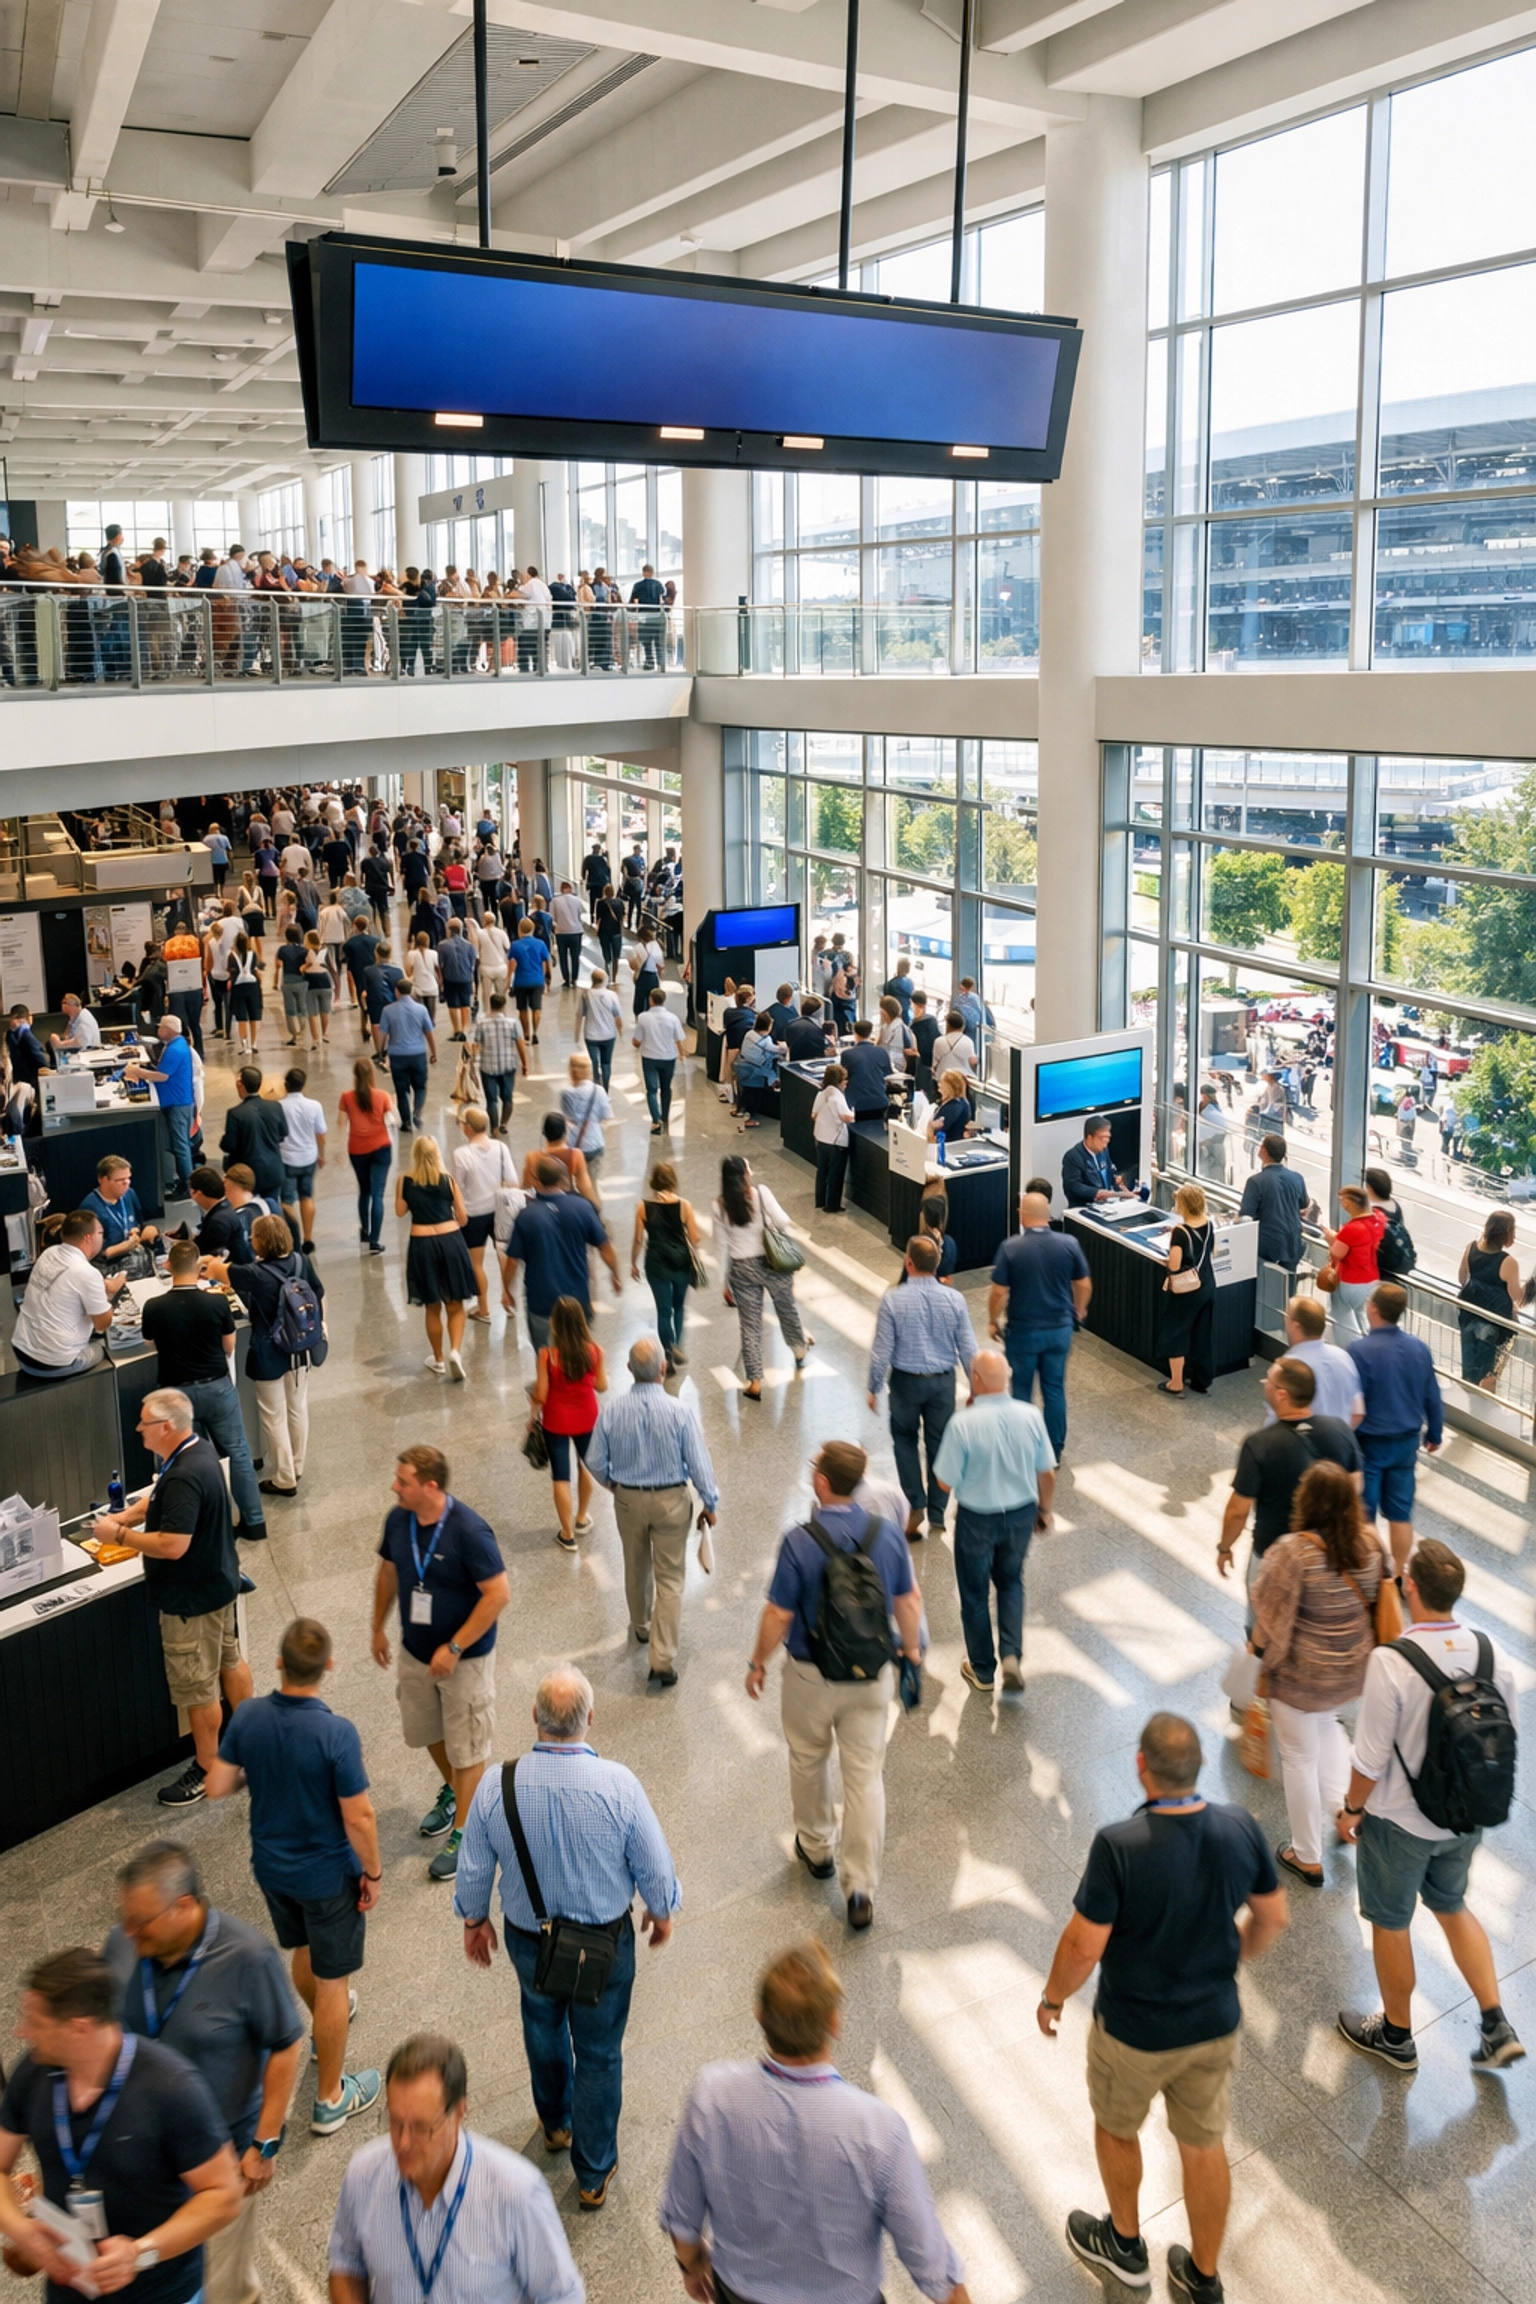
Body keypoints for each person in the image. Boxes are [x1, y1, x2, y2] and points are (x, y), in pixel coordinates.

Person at [1038, 1714, 1288, 2304]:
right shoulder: (1239, 1827)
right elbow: (1273, 1916)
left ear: (1141, 1765)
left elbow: (1082, 1946)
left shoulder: (1119, 1846)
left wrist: (1053, 1998)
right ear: (1198, 1766)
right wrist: (1231, 1962)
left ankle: (1124, 2248)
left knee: (1117, 2127)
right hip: (1213, 2025)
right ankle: (1202, 2276)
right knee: (1203, 2143)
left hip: (1133, 2032)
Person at [454, 1664, 681, 2210]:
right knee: (599, 2052)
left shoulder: (496, 1784)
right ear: (591, 1720)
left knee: (542, 2023)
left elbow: (474, 1867)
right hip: (604, 1946)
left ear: (534, 1716)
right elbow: (654, 1865)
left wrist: (473, 1920)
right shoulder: (619, 1786)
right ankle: (593, 2173)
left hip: (530, 1939)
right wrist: (662, 1910)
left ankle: (555, 2125)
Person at [661, 1941, 970, 2304]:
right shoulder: (879, 2131)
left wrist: (693, 2266)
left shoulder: (710, 2095)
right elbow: (931, 2263)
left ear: (759, 2015)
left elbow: (681, 2219)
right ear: (834, 2023)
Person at [1336, 1539, 1524, 2073]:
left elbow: (1369, 1758)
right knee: (1451, 1904)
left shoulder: (1392, 1662)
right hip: (1466, 1817)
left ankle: (1395, 2035)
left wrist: (1352, 1810)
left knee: (1390, 1920)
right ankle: (1495, 2024)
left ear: (1410, 1586)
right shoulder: (1493, 1654)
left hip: (1400, 1823)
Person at [107, 1841, 304, 2304]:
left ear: (184, 1906)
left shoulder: (247, 1957)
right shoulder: (123, 1942)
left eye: (141, 1922)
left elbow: (286, 2046)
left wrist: (264, 2143)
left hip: (221, 2164)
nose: (129, 1933)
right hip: (147, 2163)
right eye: (125, 1920)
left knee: (223, 2287)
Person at [206, 1618, 383, 2134]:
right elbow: (359, 1817)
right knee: (333, 1978)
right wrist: (371, 1870)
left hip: (271, 1869)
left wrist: (260, 1769)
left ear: (279, 1662)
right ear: (328, 1665)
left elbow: (218, 1785)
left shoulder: (250, 1717)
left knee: (304, 1950)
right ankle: (330, 2099)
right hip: (327, 1875)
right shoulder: (336, 1733)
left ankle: (328, 2027)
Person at [746, 1440, 922, 1930]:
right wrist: (911, 1654)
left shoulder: (800, 1541)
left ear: (823, 1482)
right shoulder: (887, 1536)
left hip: (811, 1675)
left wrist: (758, 1662)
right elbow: (908, 1603)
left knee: (807, 1757)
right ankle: (860, 1887)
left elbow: (779, 1613)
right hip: (871, 1676)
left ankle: (818, 1847)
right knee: (865, 1777)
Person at [0, 1946, 241, 2304]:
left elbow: (224, 2196)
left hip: (162, 2294)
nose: (21, 2032)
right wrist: (21, 2230)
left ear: (78, 2027)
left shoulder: (172, 2087)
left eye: (35, 2023)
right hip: (71, 2289)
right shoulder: (34, 2072)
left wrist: (141, 2253)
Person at [86, 1387, 252, 1807]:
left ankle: (209, 1767)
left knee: (198, 1686)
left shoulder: (182, 1474)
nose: (138, 1428)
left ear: (166, 1427)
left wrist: (118, 1534)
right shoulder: (197, 1453)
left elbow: (174, 1544)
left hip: (190, 1601)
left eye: (144, 1422)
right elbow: (160, 1499)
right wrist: (127, 1514)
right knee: (229, 1660)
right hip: (218, 1584)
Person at [328, 2032, 582, 2304]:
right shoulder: (364, 2174)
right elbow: (346, 2260)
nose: (402, 2143)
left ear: (459, 2112)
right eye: (395, 2122)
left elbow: (561, 2295)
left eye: (421, 2128)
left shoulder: (517, 2193)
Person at [372, 1445, 509, 1882]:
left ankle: (468, 1833)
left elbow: (498, 1594)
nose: (395, 1487)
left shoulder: (469, 1531)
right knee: (427, 1732)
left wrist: (454, 1646)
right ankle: (455, 1792)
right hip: (416, 1653)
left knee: (467, 1747)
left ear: (430, 1486)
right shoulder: (399, 1519)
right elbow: (389, 1572)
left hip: (464, 1660)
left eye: (403, 1481)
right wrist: (377, 1626)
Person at [1249, 1459, 1384, 1886]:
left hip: (1300, 1679)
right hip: (1349, 1674)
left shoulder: (1293, 1551)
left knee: (1298, 1757)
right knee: (1326, 1726)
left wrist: (1253, 1660)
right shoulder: (1369, 1543)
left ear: (1305, 1501)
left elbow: (1268, 1622)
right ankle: (1343, 1814)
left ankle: (1306, 1854)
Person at [588, 1336, 719, 1684]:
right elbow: (699, 1464)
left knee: (635, 1564)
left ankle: (641, 1626)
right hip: (671, 1501)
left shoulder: (612, 1411)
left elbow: (593, 1459)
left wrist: (613, 1484)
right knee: (671, 1578)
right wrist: (710, 1501)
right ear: (664, 1369)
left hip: (628, 1500)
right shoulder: (680, 1412)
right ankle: (662, 1659)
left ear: (629, 1370)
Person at [932, 1348, 1055, 1695]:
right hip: (1020, 1514)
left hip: (976, 1519)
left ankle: (983, 1669)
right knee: (1011, 1582)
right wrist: (1044, 1511)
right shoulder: (1030, 1415)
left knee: (973, 1593)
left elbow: (944, 1483)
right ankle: (1012, 1655)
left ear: (975, 1380)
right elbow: (1047, 1473)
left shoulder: (963, 1423)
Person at [141, 1238, 267, 1544]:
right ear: (199, 1268)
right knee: (237, 1452)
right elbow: (229, 1346)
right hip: (217, 1389)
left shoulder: (154, 1307)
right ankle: (254, 1522)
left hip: (176, 1397)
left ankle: (196, 1528)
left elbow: (150, 1344)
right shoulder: (216, 1302)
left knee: (187, 1461)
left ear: (168, 1266)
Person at [1218, 1357, 1362, 1612]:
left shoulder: (1259, 1444)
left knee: (1264, 1622)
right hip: (1328, 1552)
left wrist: (1225, 1547)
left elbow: (1238, 1510)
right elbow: (1355, 1485)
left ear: (1282, 1394)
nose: (1265, 1384)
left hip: (1274, 1553)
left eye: (1269, 1381)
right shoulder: (1339, 1429)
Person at [867, 1235, 977, 1538]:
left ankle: (915, 1502)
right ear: (938, 1262)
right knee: (940, 1443)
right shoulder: (955, 1299)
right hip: (942, 1382)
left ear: (908, 1262)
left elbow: (882, 1349)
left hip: (905, 1382)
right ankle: (938, 1512)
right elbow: (968, 1348)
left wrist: (873, 1386)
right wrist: (976, 1388)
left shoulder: (893, 1299)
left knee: (904, 1439)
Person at [214, 1213, 325, 1499]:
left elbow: (216, 1269)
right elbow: (319, 1291)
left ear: (261, 1241)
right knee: (298, 1407)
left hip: (268, 1349)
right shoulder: (302, 1261)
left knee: (273, 1415)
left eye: (253, 1235)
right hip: (300, 1345)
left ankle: (284, 1477)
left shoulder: (252, 1273)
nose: (250, 1239)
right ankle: (296, 1466)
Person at [1347, 1282, 1443, 1573]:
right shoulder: (1418, 1349)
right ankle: (1398, 1574)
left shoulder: (1359, 1351)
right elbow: (1432, 1396)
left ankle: (1373, 1573)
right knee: (1401, 1515)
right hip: (1406, 1444)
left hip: (1370, 1445)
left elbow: (1355, 1404)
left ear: (1373, 1308)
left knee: (1364, 1516)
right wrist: (1434, 1433)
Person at [988, 1190, 1092, 1458]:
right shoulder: (1069, 1244)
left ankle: (1021, 1449)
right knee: (1054, 1388)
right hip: (1059, 1330)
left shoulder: (1011, 1248)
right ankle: (1053, 1451)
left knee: (1021, 1389)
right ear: (1047, 1215)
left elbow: (999, 1292)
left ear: (1023, 1216)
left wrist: (992, 1320)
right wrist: (1078, 1309)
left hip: (1023, 1332)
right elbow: (1083, 1283)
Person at [714, 1154, 810, 1403]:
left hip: (741, 1268)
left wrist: (724, 1283)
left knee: (750, 1325)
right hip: (771, 1261)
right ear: (745, 1175)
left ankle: (755, 1381)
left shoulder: (719, 1206)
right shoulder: (760, 1194)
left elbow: (721, 1247)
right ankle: (799, 1349)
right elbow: (782, 1221)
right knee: (785, 1307)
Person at [504, 1156, 621, 1353]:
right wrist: (615, 1274)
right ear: (563, 1179)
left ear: (537, 1181)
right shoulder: (583, 1207)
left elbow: (512, 1262)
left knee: (546, 1356)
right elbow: (605, 1247)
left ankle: (549, 1383)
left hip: (541, 1302)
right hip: (577, 1300)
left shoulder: (527, 1216)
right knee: (579, 1351)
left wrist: (507, 1290)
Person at [396, 1133, 478, 1382]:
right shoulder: (448, 1181)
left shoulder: (404, 1180)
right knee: (455, 1305)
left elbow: (400, 1212)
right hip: (450, 1241)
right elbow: (463, 1218)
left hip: (422, 1243)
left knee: (432, 1306)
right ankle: (455, 1351)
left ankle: (439, 1360)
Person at [532, 1296, 608, 1554]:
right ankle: (582, 1517)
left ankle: (567, 1535)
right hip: (587, 1418)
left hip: (556, 1421)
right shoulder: (596, 1351)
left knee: (560, 1476)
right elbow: (602, 1386)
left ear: (556, 1324)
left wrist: (532, 1413)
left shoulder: (547, 1357)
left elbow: (541, 1394)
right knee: (585, 1466)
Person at [11, 1205, 125, 1376]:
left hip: (21, 1350)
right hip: (54, 1363)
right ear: (88, 1238)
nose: (103, 1238)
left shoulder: (49, 1253)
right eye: (100, 1234)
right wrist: (112, 1293)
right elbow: (102, 1324)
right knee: (106, 1346)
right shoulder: (87, 1272)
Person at [630, 1161, 701, 1374]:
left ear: (653, 1182)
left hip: (656, 1263)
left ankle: (669, 1352)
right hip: (681, 1263)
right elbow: (696, 1238)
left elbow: (638, 1240)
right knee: (679, 1307)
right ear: (673, 1181)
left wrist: (633, 1263)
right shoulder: (684, 1205)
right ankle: (676, 1348)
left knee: (663, 1311)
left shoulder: (643, 1207)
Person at [453, 1106, 516, 1323]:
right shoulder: (500, 1148)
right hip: (500, 1210)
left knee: (476, 1264)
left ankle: (484, 1309)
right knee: (505, 1258)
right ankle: (510, 1303)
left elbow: (457, 1188)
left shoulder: (461, 1154)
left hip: (474, 1214)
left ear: (467, 1128)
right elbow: (511, 1180)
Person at [125, 1014, 196, 1199]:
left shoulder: (176, 1050)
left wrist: (138, 1072)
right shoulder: (176, 1045)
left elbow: (163, 1076)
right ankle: (185, 1182)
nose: (158, 1030)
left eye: (161, 1027)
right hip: (177, 1102)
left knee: (180, 1146)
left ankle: (189, 1186)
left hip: (178, 1104)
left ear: (169, 1030)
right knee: (179, 1145)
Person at [1158, 1181, 1217, 1398]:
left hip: (1187, 1290)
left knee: (1176, 1333)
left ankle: (1176, 1383)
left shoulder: (1180, 1232)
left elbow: (1174, 1265)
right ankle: (1201, 1380)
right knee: (1201, 1333)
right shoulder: (1210, 1224)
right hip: (1208, 1285)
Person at [1267, 1295, 1363, 1425]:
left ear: (1295, 1325)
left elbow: (1276, 1422)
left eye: (1287, 1315)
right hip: (1339, 1440)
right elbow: (1358, 1413)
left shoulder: (1287, 1368)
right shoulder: (1343, 1357)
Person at [1457, 1209, 1521, 1389]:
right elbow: (1517, 1295)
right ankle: (1483, 1404)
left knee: (1470, 1364)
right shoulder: (1507, 1262)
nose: (1514, 1237)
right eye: (1513, 1232)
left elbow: (1462, 1278)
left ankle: (1467, 1394)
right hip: (1494, 1323)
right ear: (1506, 1234)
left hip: (1469, 1314)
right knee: (1489, 1372)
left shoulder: (1471, 1248)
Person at [340, 1055, 396, 1256]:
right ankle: (375, 1240)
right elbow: (393, 1121)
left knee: (364, 1191)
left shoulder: (346, 1097)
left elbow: (341, 1124)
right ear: (372, 1074)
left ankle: (364, 1230)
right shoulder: (382, 1096)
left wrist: (339, 1150)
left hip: (357, 1148)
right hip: (381, 1147)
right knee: (377, 1194)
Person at [1237, 1133, 1309, 1271]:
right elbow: (1304, 1204)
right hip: (1292, 1243)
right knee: (1287, 1287)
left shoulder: (1255, 1181)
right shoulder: (1297, 1178)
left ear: (1263, 1151)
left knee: (1264, 1286)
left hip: (1266, 1246)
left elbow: (1246, 1216)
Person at [1323, 1181, 1384, 1337]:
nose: (1342, 1204)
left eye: (1343, 1200)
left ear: (1350, 1203)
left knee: (1341, 1319)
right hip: (1371, 1280)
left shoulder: (1351, 1229)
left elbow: (1336, 1254)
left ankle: (1351, 1350)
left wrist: (1331, 1239)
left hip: (1350, 1281)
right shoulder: (1377, 1220)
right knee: (1365, 1319)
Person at [220, 1068, 288, 1207]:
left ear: (240, 1085)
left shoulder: (235, 1113)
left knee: (249, 1211)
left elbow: (229, 1145)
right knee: (272, 1209)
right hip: (273, 1171)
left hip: (247, 1176)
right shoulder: (275, 1107)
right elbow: (283, 1133)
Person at [376, 979, 438, 1132]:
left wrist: (380, 1053)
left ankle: (406, 1123)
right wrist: (434, 1053)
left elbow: (382, 1034)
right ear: (411, 991)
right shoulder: (421, 1010)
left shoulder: (388, 1010)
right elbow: (429, 1033)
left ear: (397, 991)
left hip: (397, 1056)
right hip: (418, 1053)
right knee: (420, 1086)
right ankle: (417, 1113)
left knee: (402, 1090)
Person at [277, 1064, 326, 1254]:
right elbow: (321, 1134)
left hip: (287, 1158)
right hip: (308, 1157)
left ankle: (294, 1236)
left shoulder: (279, 1106)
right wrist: (321, 1154)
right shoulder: (315, 1106)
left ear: (285, 1085)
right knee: (307, 1196)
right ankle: (308, 1237)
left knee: (287, 1200)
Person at [82, 1152, 161, 1268]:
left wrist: (139, 1230)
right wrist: (120, 1248)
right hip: (109, 1264)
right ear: (103, 1180)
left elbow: (139, 1223)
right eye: (120, 1180)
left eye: (128, 1178)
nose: (127, 1183)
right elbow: (89, 1254)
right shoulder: (90, 1207)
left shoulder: (130, 1194)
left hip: (133, 1254)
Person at [632, 984, 689, 1134]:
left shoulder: (643, 1018)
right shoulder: (673, 1018)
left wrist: (637, 1043)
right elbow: (679, 1039)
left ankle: (656, 1120)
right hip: (668, 1058)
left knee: (651, 1090)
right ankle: (665, 1116)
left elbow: (636, 1040)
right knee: (666, 1088)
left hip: (649, 1058)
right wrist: (681, 1054)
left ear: (651, 1000)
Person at [472, 990, 526, 1135]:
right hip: (508, 1065)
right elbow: (520, 1044)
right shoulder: (513, 1023)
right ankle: (504, 1123)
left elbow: (476, 1045)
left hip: (487, 1066)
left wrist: (472, 1064)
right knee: (507, 1098)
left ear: (490, 1005)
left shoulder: (481, 1023)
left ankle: (494, 1127)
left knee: (491, 1100)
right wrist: (525, 1063)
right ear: (504, 1005)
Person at [560, 1050, 612, 1178]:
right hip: (595, 1142)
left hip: (574, 1145)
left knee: (577, 1183)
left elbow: (569, 1119)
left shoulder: (567, 1094)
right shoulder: (599, 1091)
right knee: (592, 1184)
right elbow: (605, 1116)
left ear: (571, 1071)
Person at [810, 1061, 854, 1212]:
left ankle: (820, 1200)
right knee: (835, 1174)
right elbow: (846, 1117)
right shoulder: (837, 1097)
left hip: (821, 1138)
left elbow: (813, 1115)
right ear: (839, 1081)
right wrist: (854, 1114)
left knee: (822, 1171)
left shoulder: (821, 1094)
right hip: (836, 1141)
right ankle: (832, 1205)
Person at [1062, 1113, 1130, 1207]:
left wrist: (1117, 1180)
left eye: (1107, 1139)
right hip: (1084, 1207)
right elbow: (1073, 1185)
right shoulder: (1073, 1156)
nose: (1105, 1144)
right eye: (1102, 1139)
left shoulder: (1103, 1151)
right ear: (1089, 1137)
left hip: (1106, 1205)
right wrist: (1096, 1192)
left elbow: (1109, 1171)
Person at [574, 967, 623, 1089]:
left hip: (591, 1035)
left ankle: (596, 1083)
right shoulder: (612, 995)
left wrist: (576, 1033)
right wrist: (621, 1031)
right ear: (604, 980)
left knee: (594, 1062)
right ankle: (605, 1089)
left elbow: (579, 1015)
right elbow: (617, 1016)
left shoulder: (585, 994)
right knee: (606, 1063)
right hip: (608, 1035)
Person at [507, 916, 551, 1046]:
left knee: (522, 1009)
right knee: (536, 1008)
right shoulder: (541, 944)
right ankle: (535, 1033)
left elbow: (511, 963)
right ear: (532, 929)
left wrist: (508, 981)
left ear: (520, 929)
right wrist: (548, 979)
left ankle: (526, 1034)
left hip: (521, 981)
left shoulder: (515, 945)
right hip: (537, 980)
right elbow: (546, 961)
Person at [438, 919, 477, 1040]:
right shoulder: (470, 946)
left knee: (453, 1005)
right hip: (465, 978)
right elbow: (472, 964)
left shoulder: (442, 945)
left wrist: (440, 981)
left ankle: (457, 1030)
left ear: (449, 930)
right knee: (465, 1004)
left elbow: (440, 964)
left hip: (450, 978)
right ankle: (465, 1030)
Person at [926, 1065, 975, 1145]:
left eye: (942, 1082)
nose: (939, 1084)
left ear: (950, 1086)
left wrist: (930, 1127)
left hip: (947, 1147)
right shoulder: (959, 1103)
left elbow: (936, 1132)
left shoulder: (954, 1106)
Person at [550, 880, 585, 989]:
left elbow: (552, 918)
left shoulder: (554, 901)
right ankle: (574, 978)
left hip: (561, 932)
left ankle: (566, 979)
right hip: (576, 932)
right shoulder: (577, 900)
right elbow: (581, 915)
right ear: (570, 889)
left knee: (563, 957)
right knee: (575, 956)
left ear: (561, 889)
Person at [49, 990, 102, 1054]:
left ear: (71, 1005)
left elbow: (82, 1042)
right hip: (81, 1051)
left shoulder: (84, 1018)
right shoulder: (77, 1018)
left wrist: (60, 1045)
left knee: (53, 1040)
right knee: (52, 1038)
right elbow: (67, 1037)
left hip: (87, 1053)